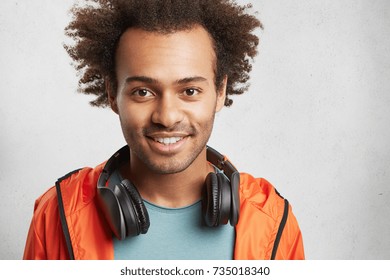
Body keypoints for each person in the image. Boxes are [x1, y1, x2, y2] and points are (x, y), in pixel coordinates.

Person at [23, 0, 304, 260]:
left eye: (190, 91)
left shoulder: (273, 218)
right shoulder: (57, 213)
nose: (167, 117)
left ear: (220, 92)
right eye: (143, 92)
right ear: (112, 94)